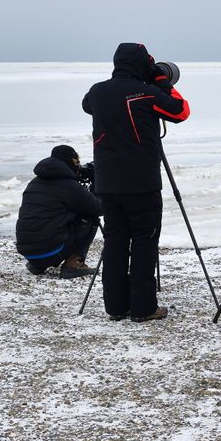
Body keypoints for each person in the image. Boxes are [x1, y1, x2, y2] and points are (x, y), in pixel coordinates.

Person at [82, 43, 190, 322]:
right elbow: (180, 111)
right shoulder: (146, 93)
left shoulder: (97, 92)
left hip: (107, 183)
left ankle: (116, 306)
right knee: (144, 242)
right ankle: (143, 308)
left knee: (115, 242)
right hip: (142, 183)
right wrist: (162, 81)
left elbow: (86, 105)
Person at [15, 145, 103, 277]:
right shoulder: (69, 186)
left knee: (51, 220)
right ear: (71, 162)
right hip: (50, 251)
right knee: (90, 219)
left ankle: (38, 265)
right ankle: (73, 265)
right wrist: (97, 183)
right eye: (76, 162)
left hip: (28, 252)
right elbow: (99, 209)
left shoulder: (34, 182)